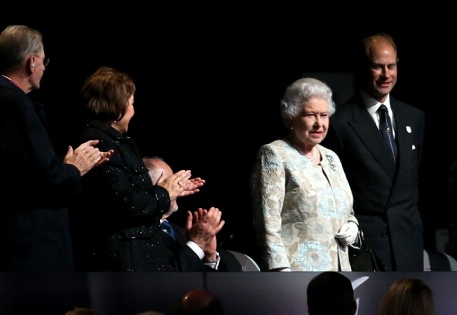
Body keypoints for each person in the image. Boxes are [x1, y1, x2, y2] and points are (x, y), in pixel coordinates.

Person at [69, 66, 223, 271]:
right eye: (131, 103)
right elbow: (125, 202)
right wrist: (165, 192)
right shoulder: (100, 143)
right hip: (123, 261)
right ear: (118, 106)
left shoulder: (115, 142)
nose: (133, 110)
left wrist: (173, 191)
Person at [0, 25, 112, 271]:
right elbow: (43, 179)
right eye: (44, 61)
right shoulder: (13, 104)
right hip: (26, 247)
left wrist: (63, 165)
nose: (44, 68)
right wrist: (75, 168)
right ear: (32, 62)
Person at [321, 32, 425, 271]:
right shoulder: (340, 121)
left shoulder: (414, 117)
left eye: (391, 66)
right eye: (378, 67)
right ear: (362, 67)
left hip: (408, 241)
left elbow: (412, 182)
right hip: (367, 245)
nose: (386, 75)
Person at [250, 77, 359, 271]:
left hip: (340, 273)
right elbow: (267, 223)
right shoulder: (275, 154)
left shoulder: (331, 157)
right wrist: (280, 270)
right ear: (291, 117)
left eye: (324, 115)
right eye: (310, 115)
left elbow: (346, 210)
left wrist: (353, 225)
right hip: (298, 274)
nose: (319, 123)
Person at [144, 156, 243, 271]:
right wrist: (197, 244)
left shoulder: (178, 232)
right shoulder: (137, 234)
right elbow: (165, 281)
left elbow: (215, 284)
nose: (180, 187)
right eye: (172, 182)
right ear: (150, 187)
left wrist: (209, 257)